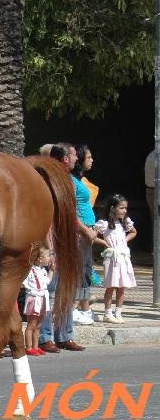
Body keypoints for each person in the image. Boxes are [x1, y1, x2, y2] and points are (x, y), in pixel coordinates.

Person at [39, 142, 86, 352]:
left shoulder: (71, 180)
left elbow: (71, 212)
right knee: (49, 290)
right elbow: (48, 214)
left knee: (67, 289)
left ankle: (65, 335)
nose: (77, 158)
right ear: (65, 158)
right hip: (55, 240)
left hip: (69, 241)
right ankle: (44, 336)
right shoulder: (49, 178)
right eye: (75, 155)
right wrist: (48, 246)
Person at [95, 194, 137, 324]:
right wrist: (104, 243)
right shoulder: (105, 224)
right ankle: (108, 313)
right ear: (113, 208)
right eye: (121, 208)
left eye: (125, 208)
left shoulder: (125, 223)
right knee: (111, 286)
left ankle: (118, 312)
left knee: (121, 287)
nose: (124, 211)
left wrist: (125, 240)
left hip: (123, 258)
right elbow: (92, 235)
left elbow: (133, 232)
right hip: (112, 258)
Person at [70, 144, 100, 326]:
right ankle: (73, 308)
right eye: (89, 157)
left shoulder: (80, 180)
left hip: (88, 230)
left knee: (86, 271)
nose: (92, 160)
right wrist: (85, 229)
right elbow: (70, 210)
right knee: (80, 270)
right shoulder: (72, 181)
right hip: (80, 232)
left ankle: (83, 307)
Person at [22, 247, 53, 356]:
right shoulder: (30, 270)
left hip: (43, 298)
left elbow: (47, 281)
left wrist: (52, 271)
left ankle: (36, 346)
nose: (49, 258)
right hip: (34, 298)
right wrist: (30, 289)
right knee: (31, 324)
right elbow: (23, 282)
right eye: (48, 256)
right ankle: (29, 347)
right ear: (40, 259)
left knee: (38, 325)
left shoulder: (43, 271)